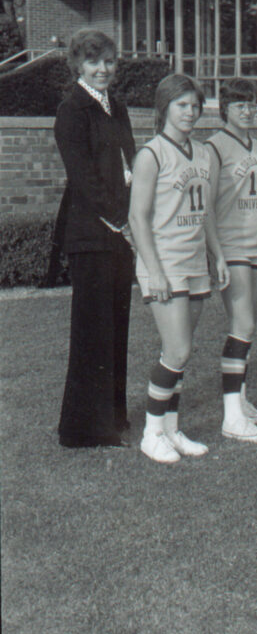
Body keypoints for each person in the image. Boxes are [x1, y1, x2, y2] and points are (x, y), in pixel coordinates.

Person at [129, 74, 229, 464]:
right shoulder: (151, 154)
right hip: (164, 262)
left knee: (180, 353)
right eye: (181, 105)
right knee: (178, 349)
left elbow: (206, 213)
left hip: (193, 261)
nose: (190, 112)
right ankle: (152, 433)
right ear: (164, 107)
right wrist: (154, 271)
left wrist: (218, 255)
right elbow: (137, 218)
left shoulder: (203, 153)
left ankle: (171, 429)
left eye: (195, 105)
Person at [53, 28, 135, 448]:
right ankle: (84, 428)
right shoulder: (72, 110)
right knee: (92, 331)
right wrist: (122, 219)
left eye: (109, 61)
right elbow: (85, 180)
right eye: (93, 61)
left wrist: (135, 212)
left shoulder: (115, 107)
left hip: (119, 236)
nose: (102, 69)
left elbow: (130, 163)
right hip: (91, 236)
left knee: (116, 326)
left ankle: (114, 417)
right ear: (77, 65)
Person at [207, 79, 257, 443]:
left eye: (252, 104)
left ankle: (240, 400)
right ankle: (231, 418)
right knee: (243, 325)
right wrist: (218, 255)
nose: (248, 111)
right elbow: (207, 208)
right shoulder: (214, 147)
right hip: (233, 246)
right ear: (225, 108)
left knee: (247, 327)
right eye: (240, 105)